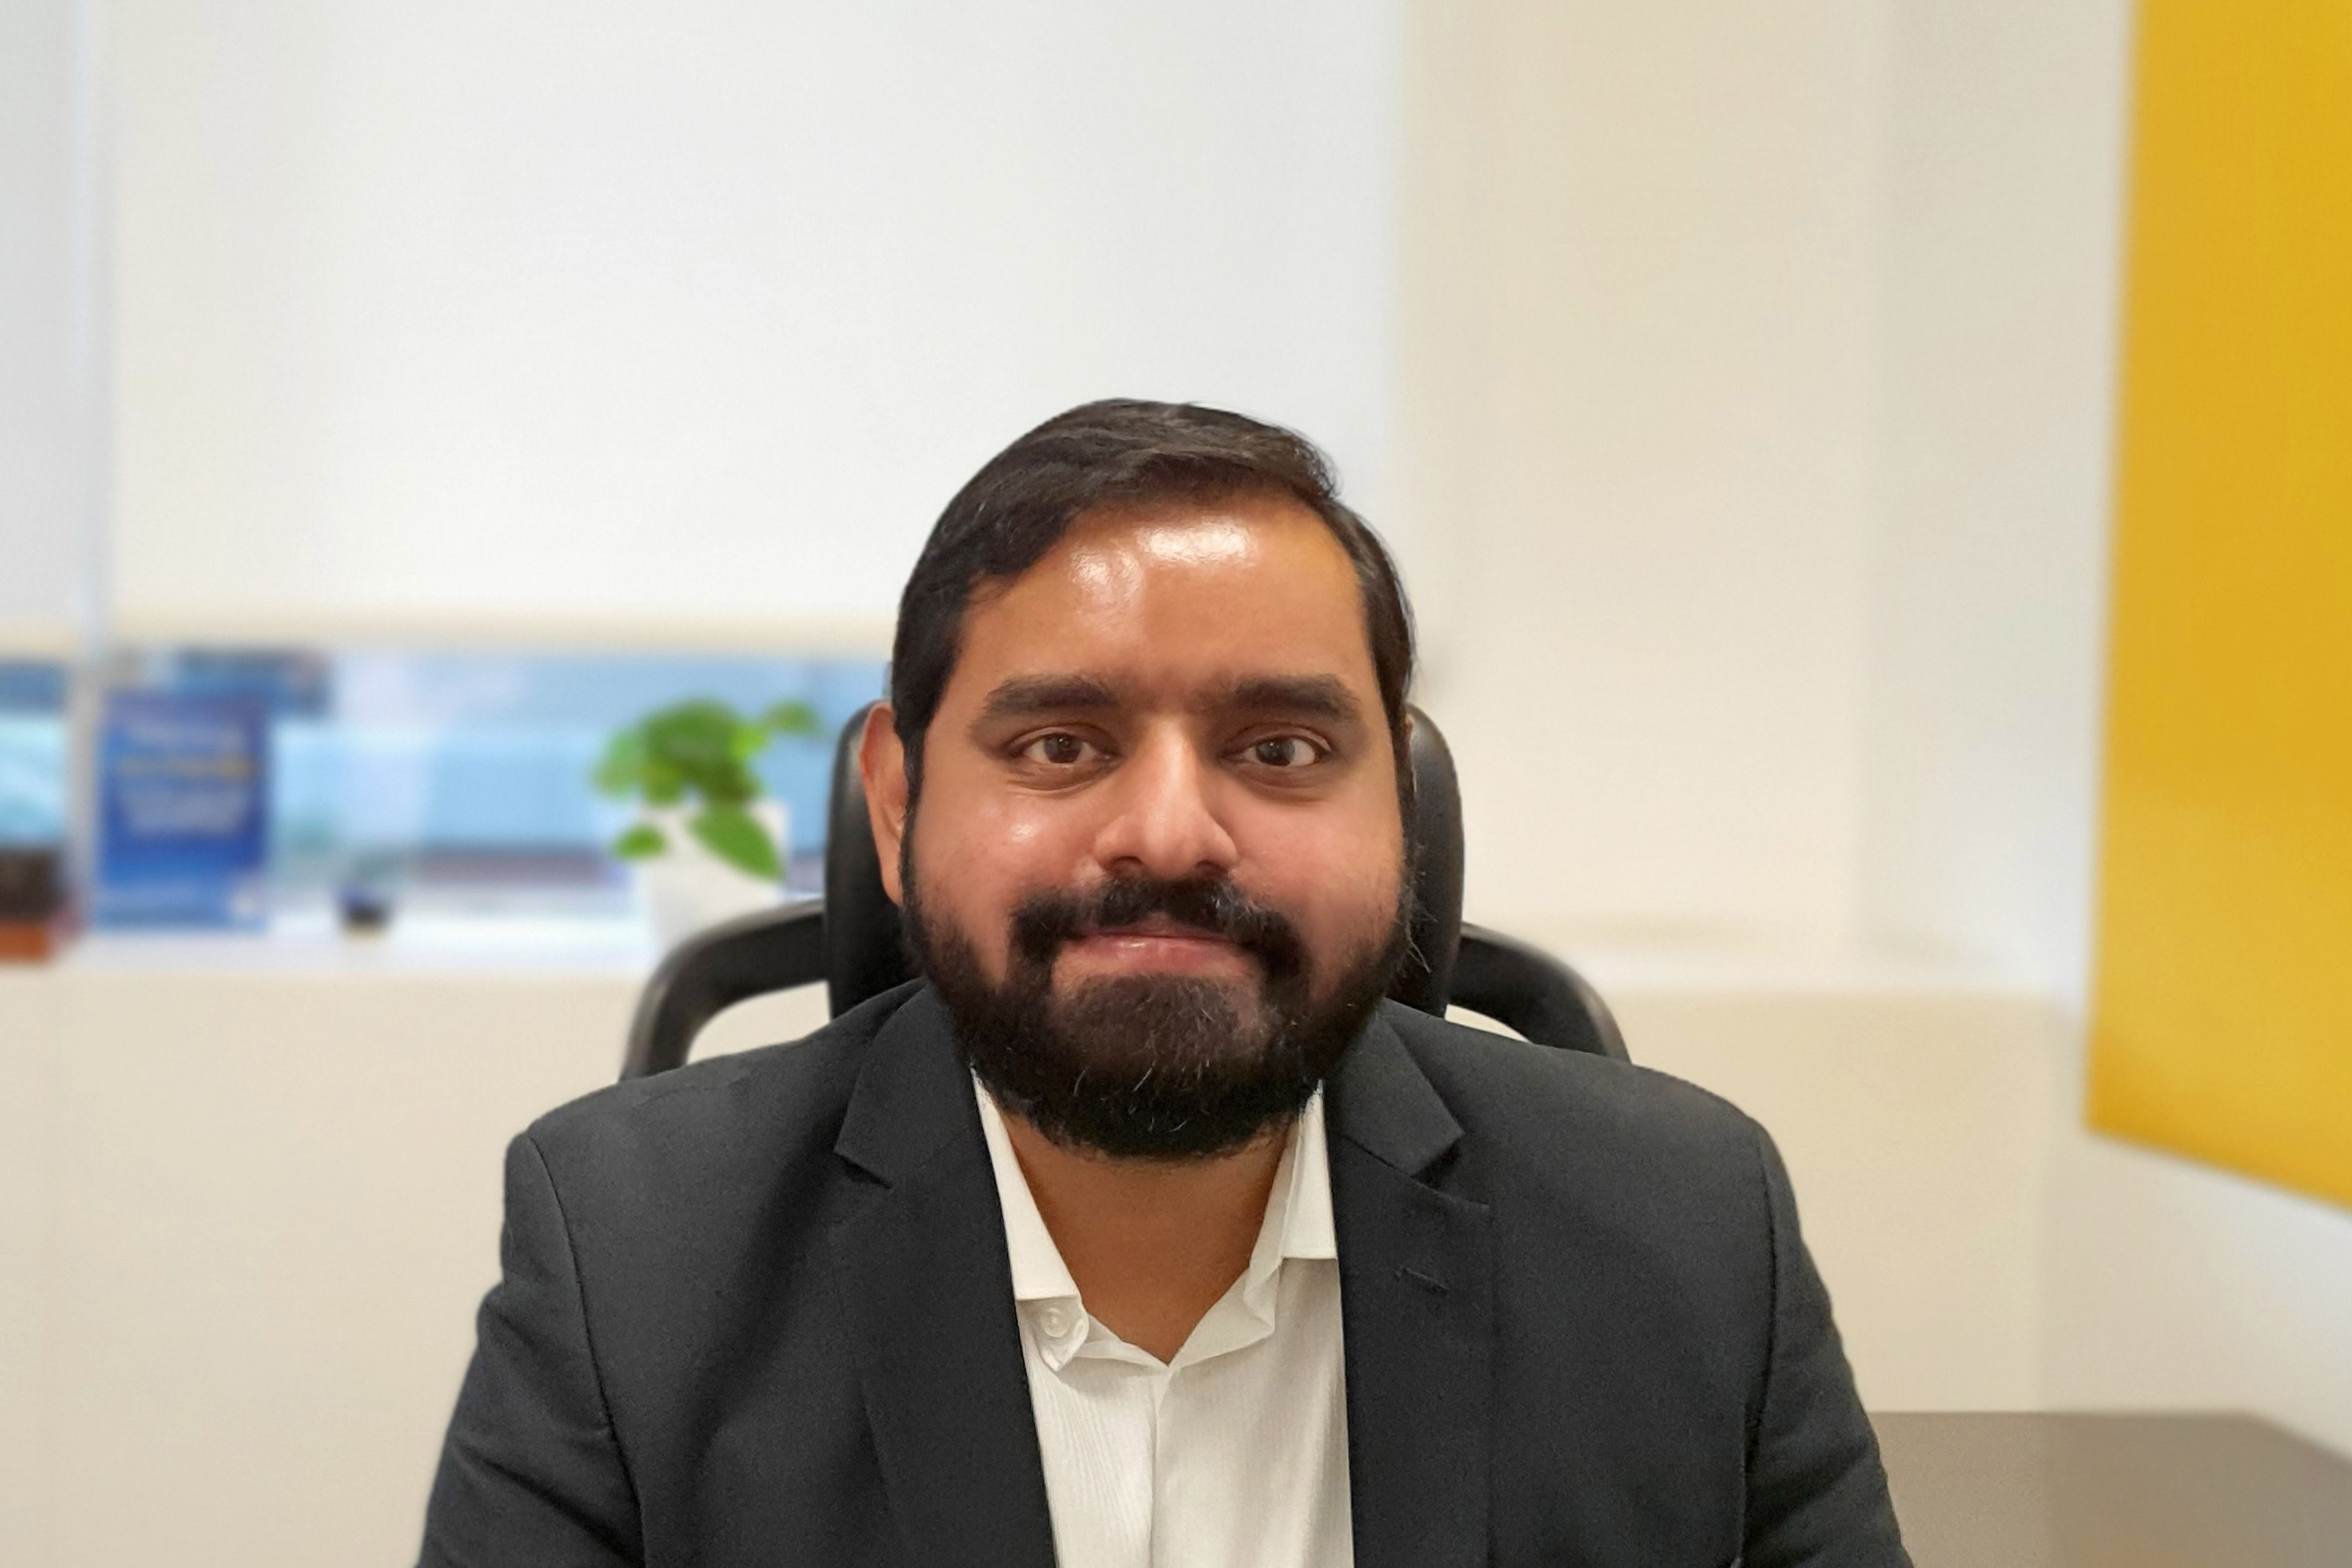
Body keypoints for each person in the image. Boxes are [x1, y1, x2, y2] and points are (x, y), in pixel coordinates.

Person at [418, 399, 1910, 1567]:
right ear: (897, 800)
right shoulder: (629, 1256)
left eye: (1281, 749)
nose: (1173, 833)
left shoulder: (1688, 1234)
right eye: (1061, 744)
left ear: (1401, 806)